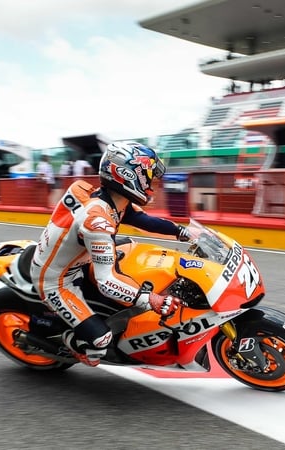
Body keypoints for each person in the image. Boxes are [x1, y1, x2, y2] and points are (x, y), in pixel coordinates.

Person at [30, 141, 194, 367]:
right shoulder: (97, 220)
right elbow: (106, 282)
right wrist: (151, 299)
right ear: (128, 175)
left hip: (76, 257)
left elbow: (144, 220)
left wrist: (182, 232)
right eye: (148, 176)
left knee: (131, 247)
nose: (153, 183)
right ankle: (73, 343)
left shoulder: (113, 200)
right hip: (57, 280)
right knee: (100, 341)